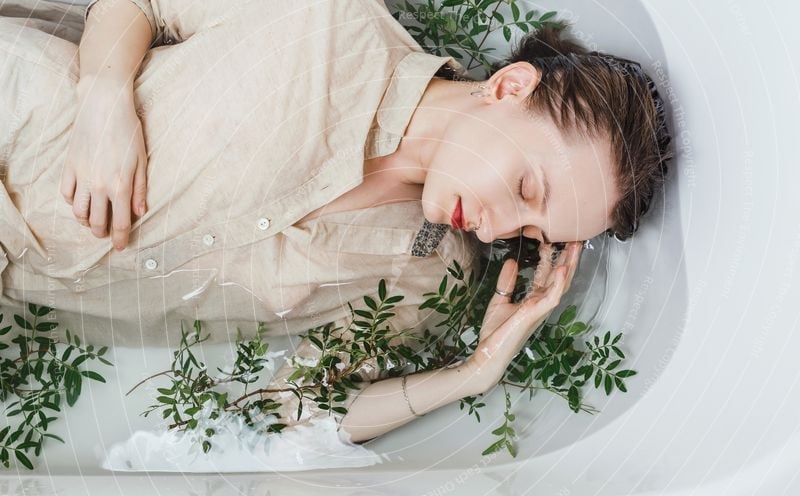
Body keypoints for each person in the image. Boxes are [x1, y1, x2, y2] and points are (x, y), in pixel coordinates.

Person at [0, 0, 672, 446]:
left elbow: (293, 412)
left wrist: (474, 371)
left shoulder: (426, 273)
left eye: (531, 234)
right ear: (509, 88)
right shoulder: (329, 19)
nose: (501, 231)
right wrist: (104, 97)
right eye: (527, 187)